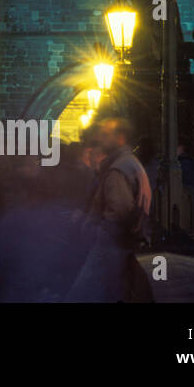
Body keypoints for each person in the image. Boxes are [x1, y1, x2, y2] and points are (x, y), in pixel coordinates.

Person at [65, 117, 152, 302]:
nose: (100, 137)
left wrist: (94, 231)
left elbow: (118, 215)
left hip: (111, 247)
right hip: (120, 247)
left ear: (120, 138)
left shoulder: (118, 170)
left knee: (82, 295)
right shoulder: (128, 163)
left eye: (105, 134)